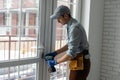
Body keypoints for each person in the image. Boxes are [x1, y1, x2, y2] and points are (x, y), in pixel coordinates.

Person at [45, 5, 91, 80]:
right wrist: (55, 53)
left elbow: (71, 53)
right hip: (77, 59)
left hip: (81, 60)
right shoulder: (70, 25)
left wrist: (55, 62)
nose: (58, 21)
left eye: (59, 18)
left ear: (65, 16)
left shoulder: (74, 28)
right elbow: (70, 44)